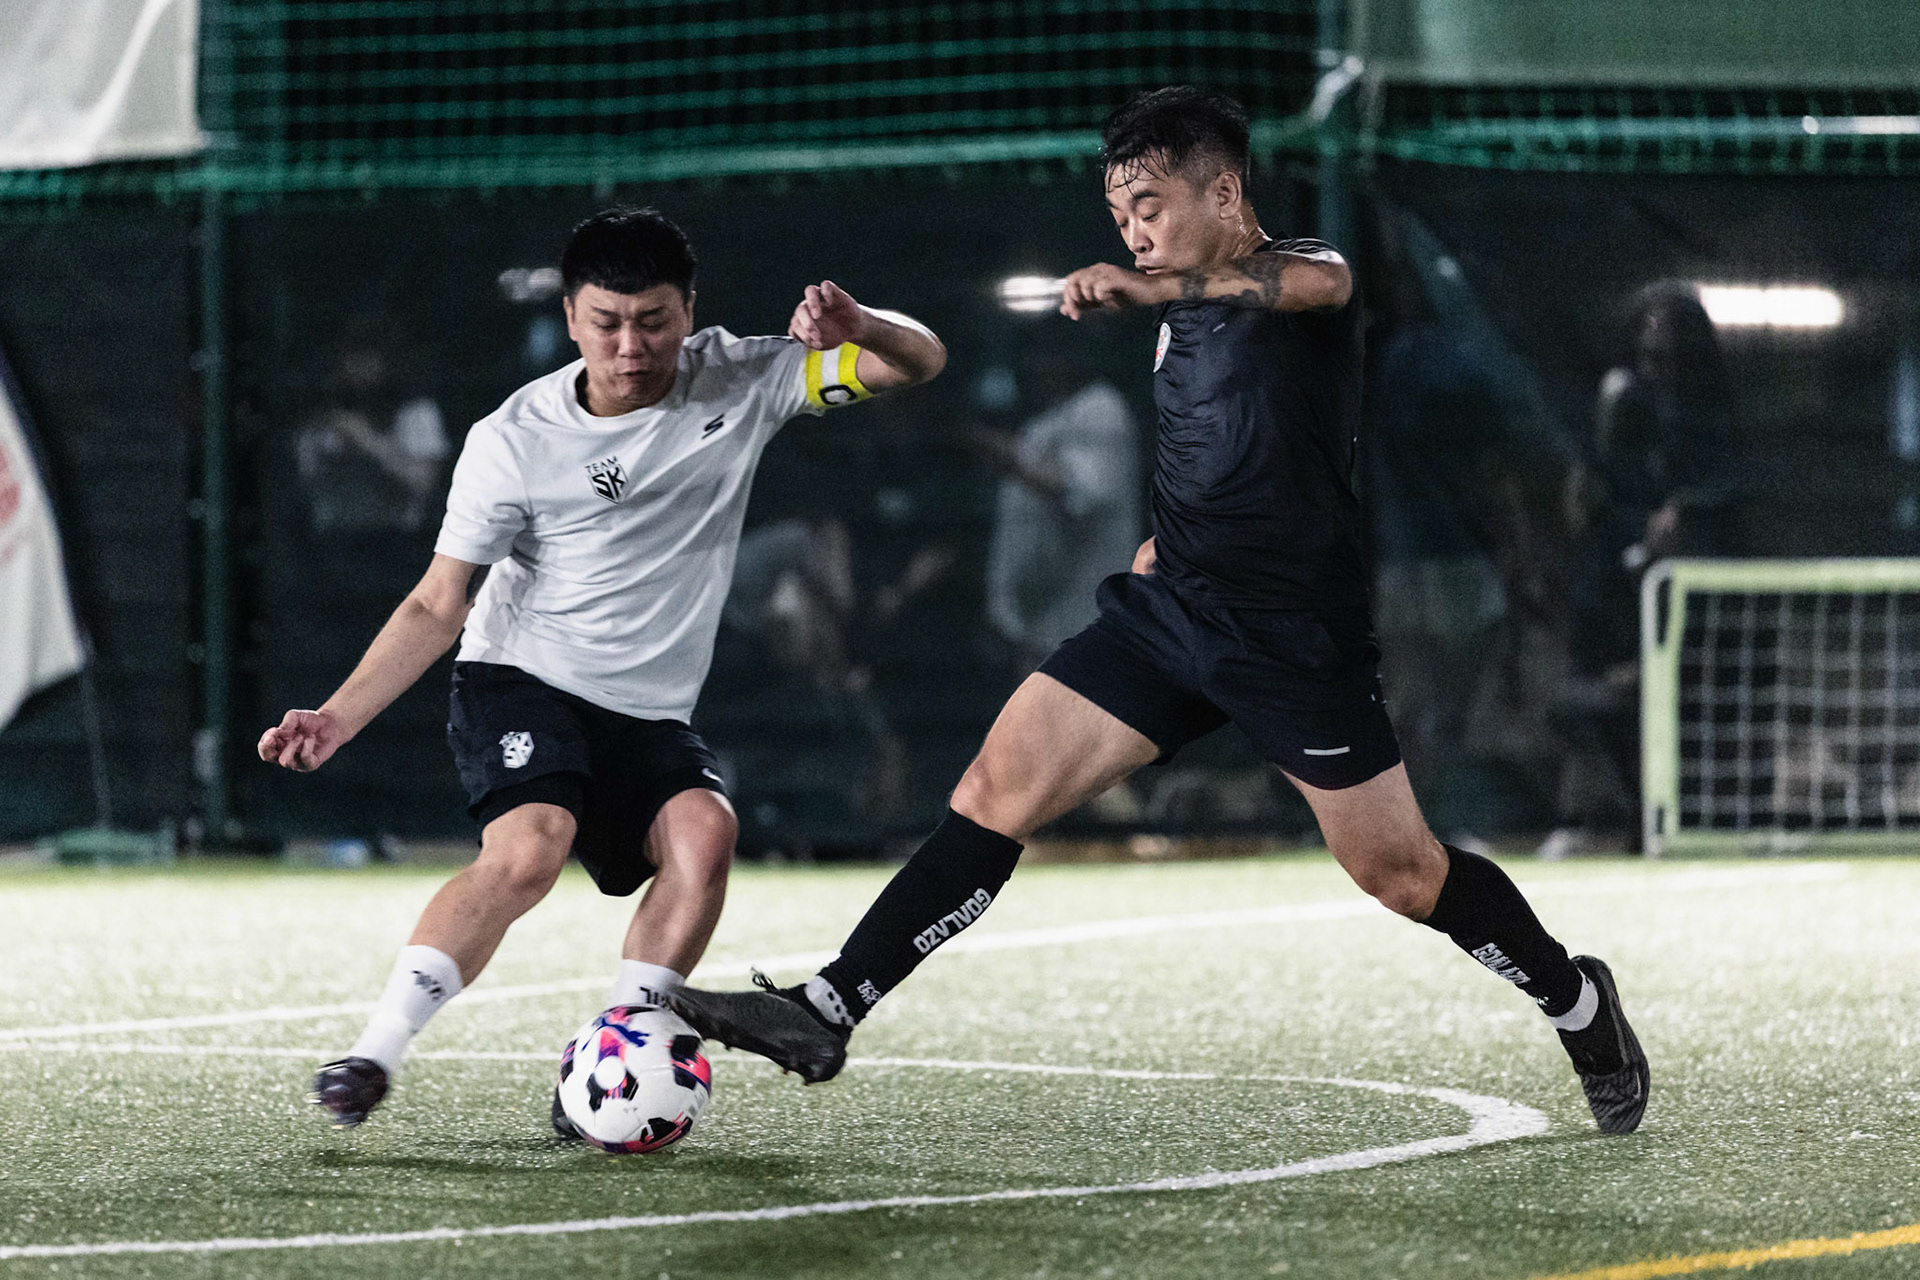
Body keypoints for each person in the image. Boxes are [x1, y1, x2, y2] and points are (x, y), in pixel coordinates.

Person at [670, 88, 1650, 1136]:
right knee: (996, 785)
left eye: (1149, 202)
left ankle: (1578, 1000)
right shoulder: (1177, 306)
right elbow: (1214, 447)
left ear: (1223, 191)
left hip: (1290, 640)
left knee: (1403, 875)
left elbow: (1315, 280)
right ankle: (827, 1007)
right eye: (1120, 213)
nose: (1133, 229)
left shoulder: (1303, 276)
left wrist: (1161, 284)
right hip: (1169, 609)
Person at [256, 206, 946, 1129]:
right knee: (530, 849)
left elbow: (922, 362)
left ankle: (619, 1049)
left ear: (689, 311)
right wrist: (337, 717)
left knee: (705, 834)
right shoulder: (513, 441)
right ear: (573, 319)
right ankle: (373, 1055)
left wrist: (861, 327)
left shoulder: (744, 378)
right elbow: (437, 602)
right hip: (522, 676)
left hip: (649, 710)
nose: (631, 347)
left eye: (654, 321)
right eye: (608, 323)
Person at [978, 349, 1142, 671]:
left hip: (1088, 627)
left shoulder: (1101, 407)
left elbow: (1079, 488)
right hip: (1038, 627)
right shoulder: (1042, 422)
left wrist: (995, 449)